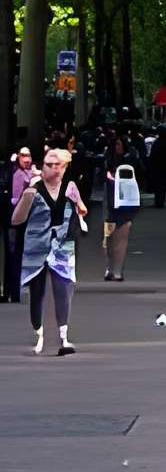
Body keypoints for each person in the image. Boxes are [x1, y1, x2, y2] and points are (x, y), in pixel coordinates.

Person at [12, 145, 87, 355]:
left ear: (64, 167)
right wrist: (26, 198)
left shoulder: (70, 186)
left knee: (63, 290)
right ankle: (40, 334)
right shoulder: (34, 188)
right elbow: (16, 219)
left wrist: (78, 206)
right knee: (37, 292)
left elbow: (82, 207)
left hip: (63, 246)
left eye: (56, 165)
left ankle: (63, 338)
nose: (51, 168)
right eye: (47, 164)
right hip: (37, 247)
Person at [103, 149, 143, 283]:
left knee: (120, 235)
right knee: (109, 236)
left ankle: (116, 271)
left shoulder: (129, 157)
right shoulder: (129, 156)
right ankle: (111, 268)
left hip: (122, 204)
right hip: (115, 202)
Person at [5, 147, 34, 305]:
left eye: (28, 156)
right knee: (14, 253)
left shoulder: (28, 173)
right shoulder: (18, 174)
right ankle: (14, 291)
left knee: (20, 254)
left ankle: (15, 289)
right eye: (23, 156)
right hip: (16, 221)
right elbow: (15, 200)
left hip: (25, 220)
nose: (26, 159)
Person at [146, 124, 166, 210]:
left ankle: (158, 201)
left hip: (157, 167)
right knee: (163, 184)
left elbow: (153, 154)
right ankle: (161, 200)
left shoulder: (158, 141)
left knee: (157, 185)